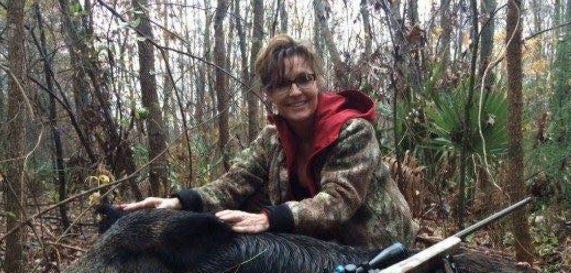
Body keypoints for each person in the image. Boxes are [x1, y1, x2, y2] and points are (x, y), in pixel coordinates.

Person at [122, 34, 416, 249]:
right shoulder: (272, 138)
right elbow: (233, 183)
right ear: (269, 93)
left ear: (317, 81)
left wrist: (268, 219)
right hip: (318, 247)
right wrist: (177, 202)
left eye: (304, 79)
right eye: (281, 84)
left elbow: (338, 202)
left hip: (377, 248)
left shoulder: (353, 131)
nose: (295, 91)